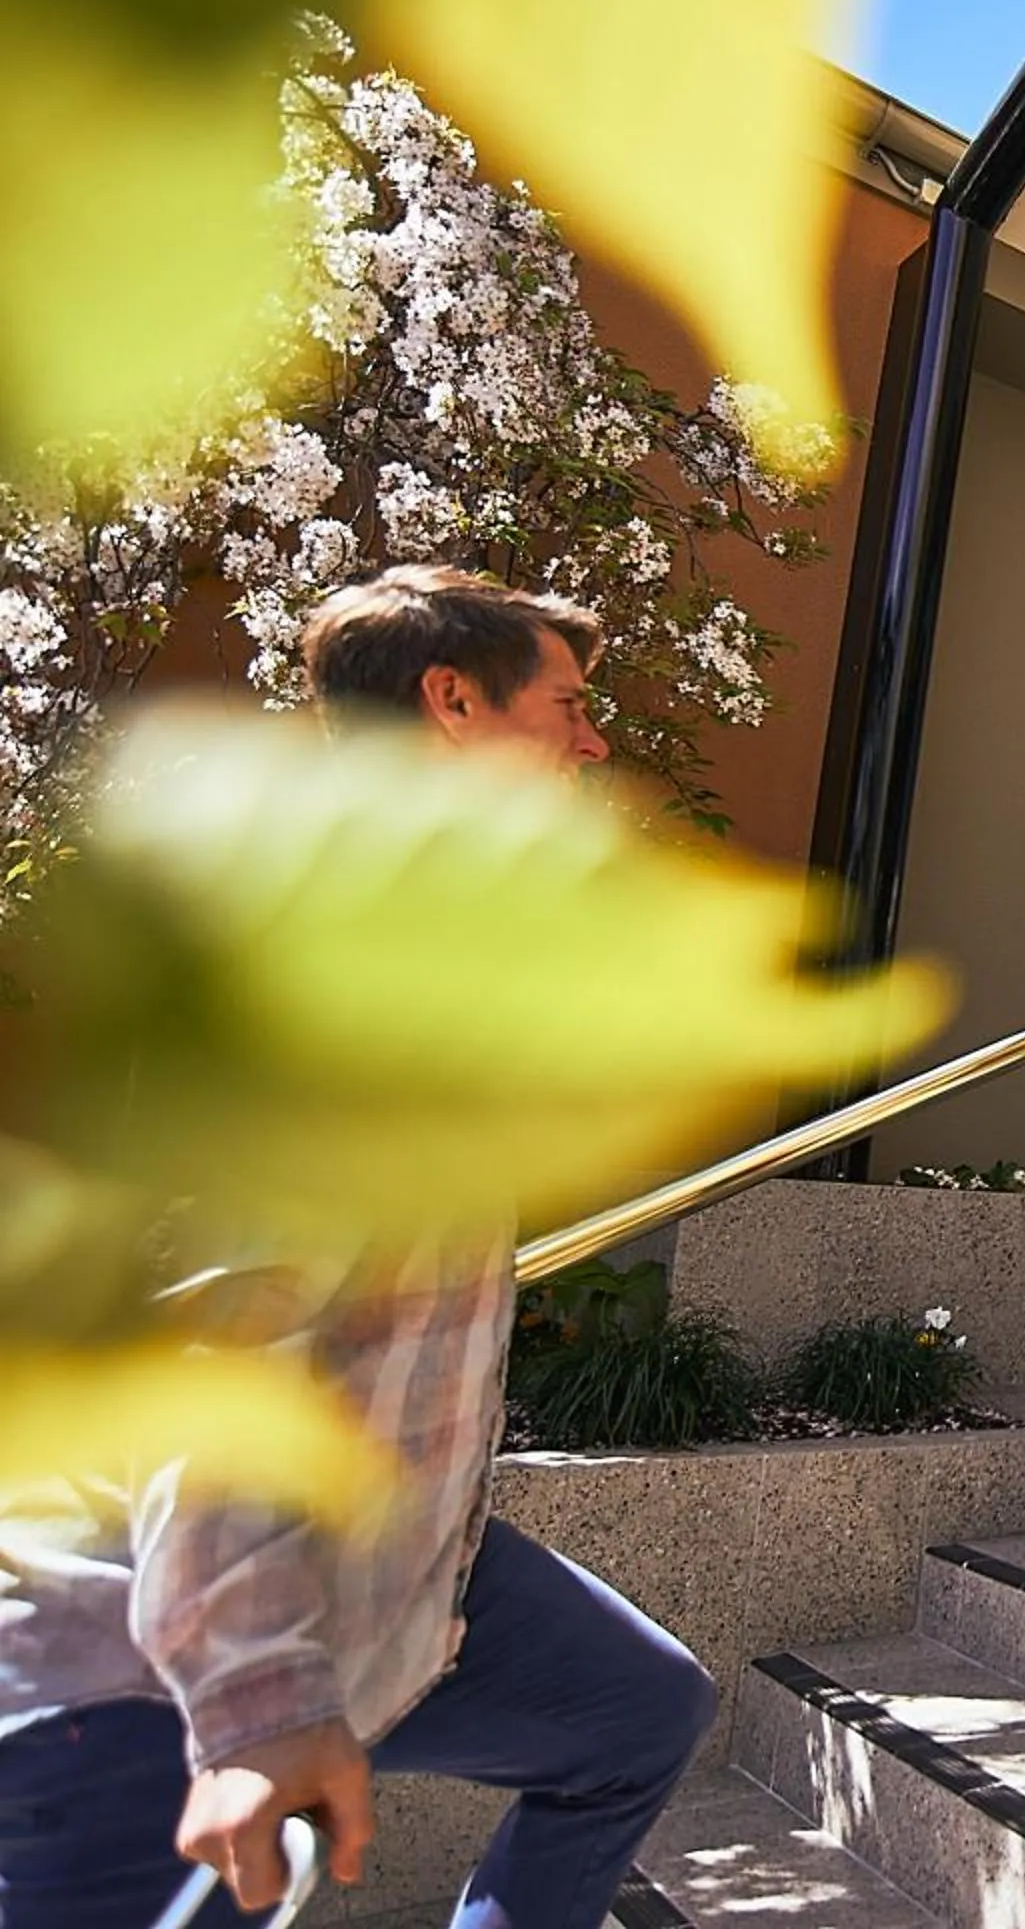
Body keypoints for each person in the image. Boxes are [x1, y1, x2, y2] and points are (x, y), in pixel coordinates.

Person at [0, 565, 713, 1929]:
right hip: (141, 1664)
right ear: (453, 701)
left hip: (383, 1577)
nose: (593, 740)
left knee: (635, 1708)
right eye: (567, 705)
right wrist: (257, 1703)